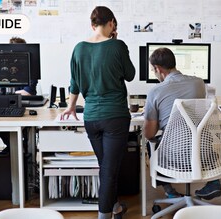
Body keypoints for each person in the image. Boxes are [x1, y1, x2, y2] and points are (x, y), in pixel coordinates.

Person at [61, 6, 135, 219]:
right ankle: (104, 216)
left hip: (91, 118)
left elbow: (74, 83)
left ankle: (116, 208)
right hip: (115, 117)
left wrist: (71, 106)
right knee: (109, 170)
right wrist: (117, 43)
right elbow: (130, 75)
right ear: (111, 23)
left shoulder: (78, 48)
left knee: (105, 167)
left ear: (93, 25)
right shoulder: (117, 46)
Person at [143, 47, 221, 200]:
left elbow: (149, 133)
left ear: (158, 69)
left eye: (153, 70)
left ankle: (170, 191)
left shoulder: (155, 91)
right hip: (202, 153)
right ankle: (213, 183)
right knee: (204, 137)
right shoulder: (199, 83)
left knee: (151, 143)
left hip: (174, 157)